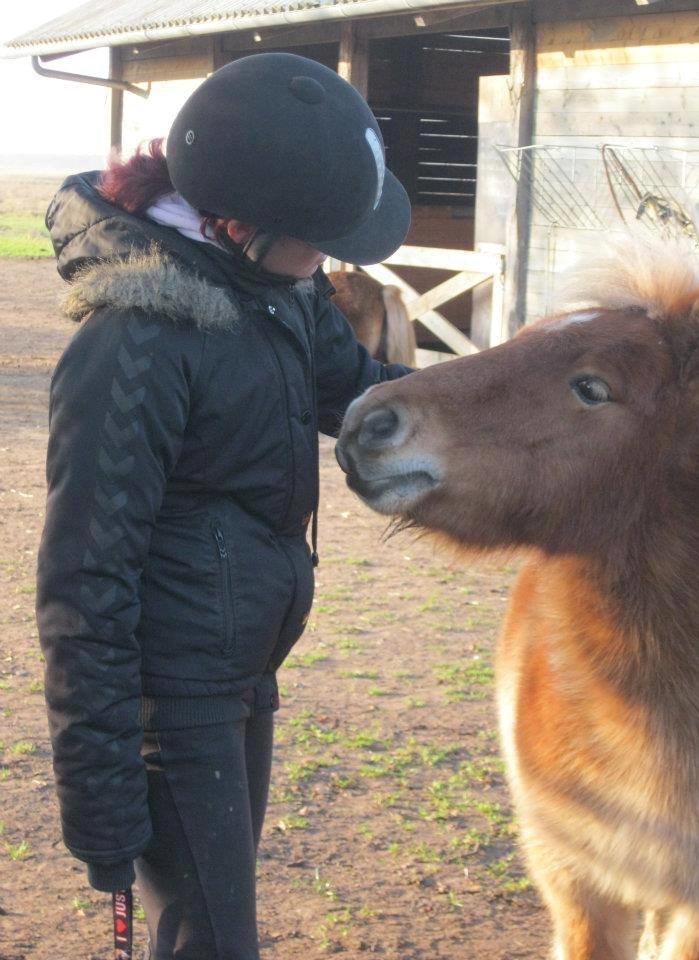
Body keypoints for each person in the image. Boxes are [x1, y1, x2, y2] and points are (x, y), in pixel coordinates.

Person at [36, 52, 412, 960]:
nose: (329, 264)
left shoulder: (281, 292)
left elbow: (358, 393)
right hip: (174, 699)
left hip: (242, 665)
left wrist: (501, 402)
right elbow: (84, 581)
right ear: (237, 224)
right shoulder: (133, 345)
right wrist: (101, 802)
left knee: (209, 931)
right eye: (317, 240)